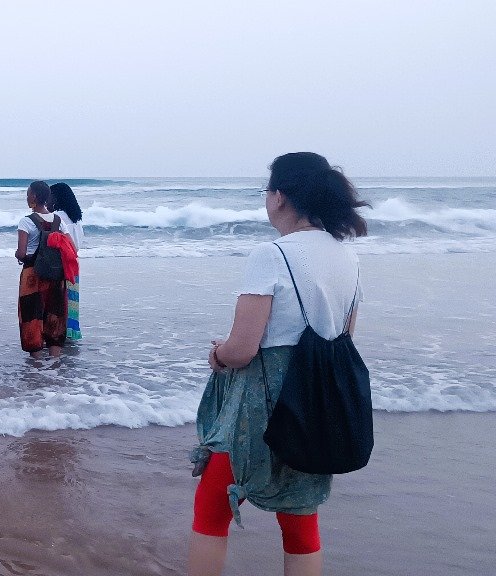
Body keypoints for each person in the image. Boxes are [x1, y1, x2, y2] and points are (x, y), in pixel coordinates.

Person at [189, 152, 369, 576]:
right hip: (316, 404)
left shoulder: (271, 254)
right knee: (300, 515)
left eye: (267, 190)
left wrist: (218, 354)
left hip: (260, 405)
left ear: (280, 196)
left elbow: (242, 350)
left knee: (212, 505)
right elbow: (345, 336)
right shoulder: (348, 257)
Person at [14, 180, 67, 357]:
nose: (27, 196)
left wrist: (18, 255)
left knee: (31, 316)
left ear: (34, 196)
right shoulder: (58, 221)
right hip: (56, 274)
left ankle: (36, 367)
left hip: (33, 274)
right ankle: (55, 365)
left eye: (28, 193)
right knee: (55, 316)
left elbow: (22, 253)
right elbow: (71, 248)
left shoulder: (26, 221)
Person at [49, 182, 85, 341]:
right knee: (71, 301)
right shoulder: (76, 219)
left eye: (50, 196)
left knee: (58, 303)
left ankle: (57, 335)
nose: (47, 200)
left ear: (56, 198)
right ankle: (70, 334)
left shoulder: (58, 218)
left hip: (60, 264)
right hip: (73, 264)